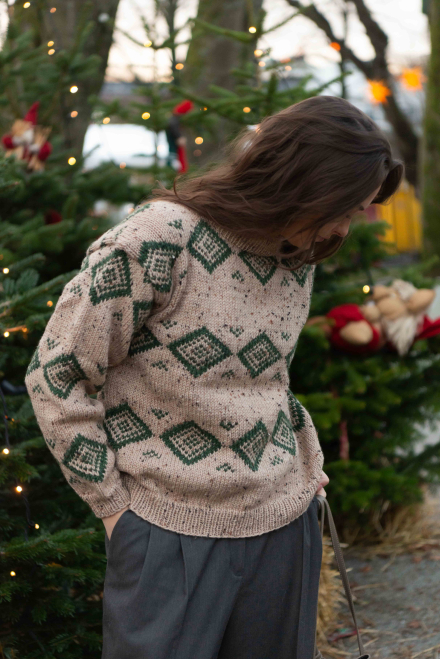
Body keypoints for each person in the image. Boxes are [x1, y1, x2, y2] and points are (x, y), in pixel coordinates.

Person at [24, 95, 404, 659]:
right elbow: (56, 374)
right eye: (343, 210)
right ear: (303, 185)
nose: (343, 228)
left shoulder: (296, 255)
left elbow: (264, 378)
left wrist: (299, 460)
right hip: (165, 532)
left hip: (284, 525)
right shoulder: (159, 239)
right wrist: (115, 510)